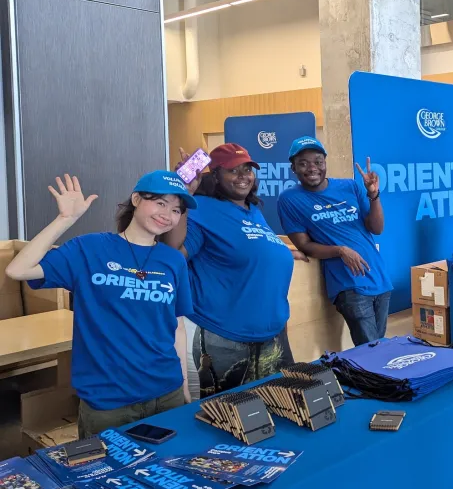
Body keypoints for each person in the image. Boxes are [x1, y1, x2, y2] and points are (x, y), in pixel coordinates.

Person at [5, 172, 196, 437]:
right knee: (104, 476)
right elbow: (18, 269)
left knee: (166, 470)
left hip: (166, 393)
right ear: (137, 199)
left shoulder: (172, 261)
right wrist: (65, 220)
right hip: (108, 401)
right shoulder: (89, 249)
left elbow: (176, 326)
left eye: (176, 209)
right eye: (160, 203)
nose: (168, 214)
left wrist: (184, 385)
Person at [161, 144, 295, 396]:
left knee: (278, 412)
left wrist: (282, 252)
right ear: (215, 175)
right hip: (226, 338)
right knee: (230, 419)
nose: (243, 175)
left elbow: (251, 249)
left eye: (247, 168)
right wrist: (181, 195)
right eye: (233, 170)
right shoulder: (201, 207)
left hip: (272, 335)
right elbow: (173, 252)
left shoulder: (252, 209)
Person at [277, 136, 392, 346]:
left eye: (318, 162)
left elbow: (377, 228)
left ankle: (377, 379)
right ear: (293, 168)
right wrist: (340, 250)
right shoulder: (289, 200)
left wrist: (373, 195)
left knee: (379, 347)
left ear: (325, 163)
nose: (312, 168)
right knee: (371, 350)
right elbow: (304, 245)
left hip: (379, 277)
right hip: (349, 285)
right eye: (303, 163)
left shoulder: (350, 186)